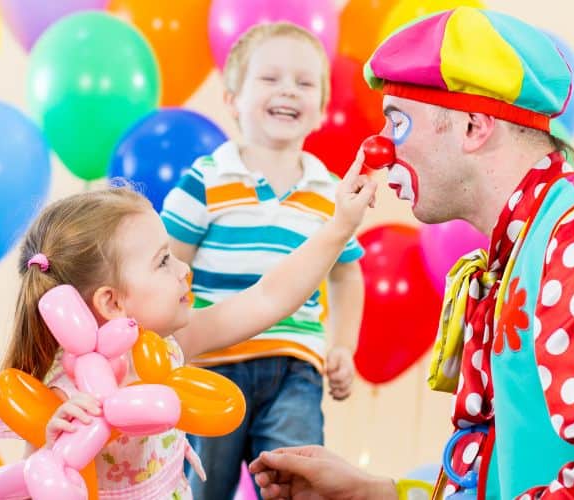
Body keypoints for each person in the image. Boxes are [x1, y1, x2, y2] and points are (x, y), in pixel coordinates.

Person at [249, 7, 574, 500]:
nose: (378, 150)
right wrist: (374, 493)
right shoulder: (519, 251)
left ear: (473, 127)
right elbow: (507, 475)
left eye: (397, 123)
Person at [0, 163, 374, 499]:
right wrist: (53, 441)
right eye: (163, 261)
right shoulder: (64, 393)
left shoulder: (166, 350)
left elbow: (268, 298)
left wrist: (340, 226)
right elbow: (39, 481)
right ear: (112, 303)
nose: (183, 270)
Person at [160, 22, 365, 499]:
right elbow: (168, 265)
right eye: (270, 78)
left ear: (321, 110)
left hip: (295, 365)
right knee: (200, 483)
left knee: (297, 478)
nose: (288, 90)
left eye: (304, 82)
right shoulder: (207, 179)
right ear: (231, 99)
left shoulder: (329, 193)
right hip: (212, 363)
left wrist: (344, 347)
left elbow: (346, 272)